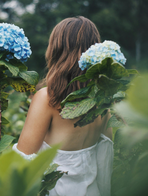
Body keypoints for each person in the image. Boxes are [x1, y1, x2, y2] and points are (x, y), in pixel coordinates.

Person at [12, 16, 113, 196]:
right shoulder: (103, 98)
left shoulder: (47, 98)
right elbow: (105, 158)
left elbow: (23, 160)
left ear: (57, 49)